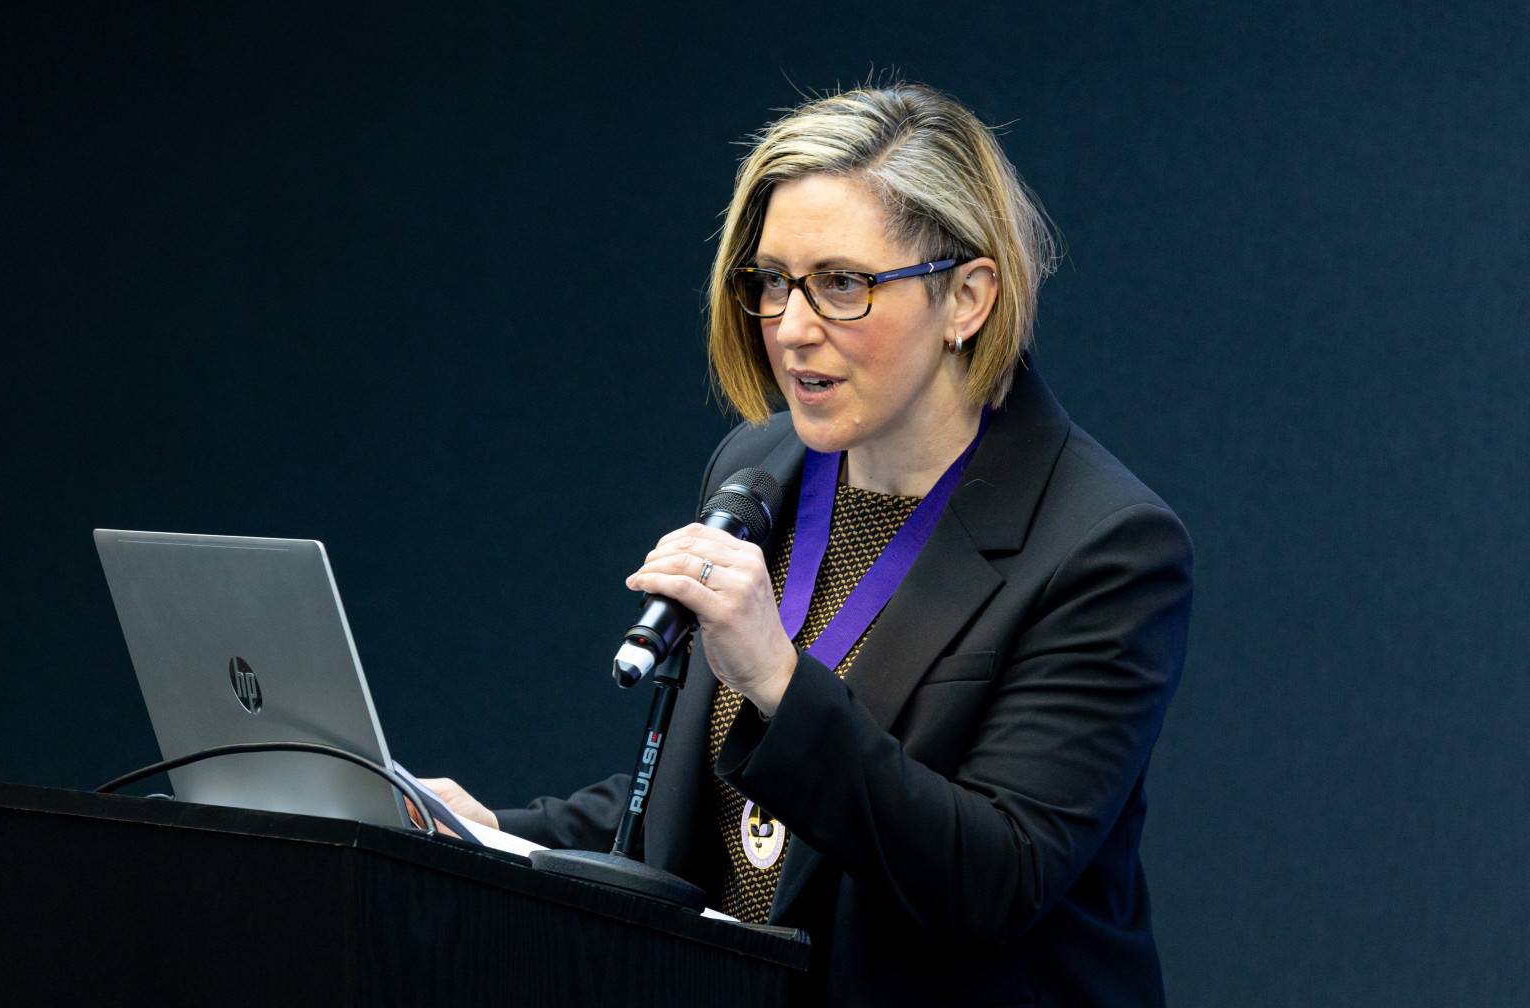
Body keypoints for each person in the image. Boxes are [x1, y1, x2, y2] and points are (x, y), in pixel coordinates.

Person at [424, 83, 1193, 1008]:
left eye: (842, 285)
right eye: (771, 282)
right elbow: (712, 803)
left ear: (967, 299)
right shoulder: (757, 467)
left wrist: (779, 681)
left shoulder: (1105, 547)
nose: (790, 329)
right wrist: (489, 833)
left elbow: (994, 880)